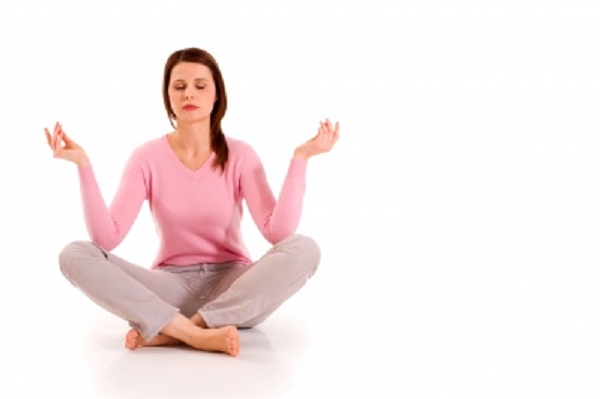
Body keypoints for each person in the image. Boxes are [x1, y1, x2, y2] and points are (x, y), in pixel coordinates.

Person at [44, 47, 339, 357]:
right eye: (179, 86)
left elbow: (279, 233)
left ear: (216, 96)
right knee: (74, 254)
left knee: (305, 248)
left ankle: (176, 332)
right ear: (168, 96)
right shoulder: (146, 158)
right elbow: (106, 238)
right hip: (168, 291)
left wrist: (301, 158)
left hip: (235, 290)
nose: (189, 94)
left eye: (200, 86)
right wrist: (82, 165)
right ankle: (195, 333)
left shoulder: (241, 155)